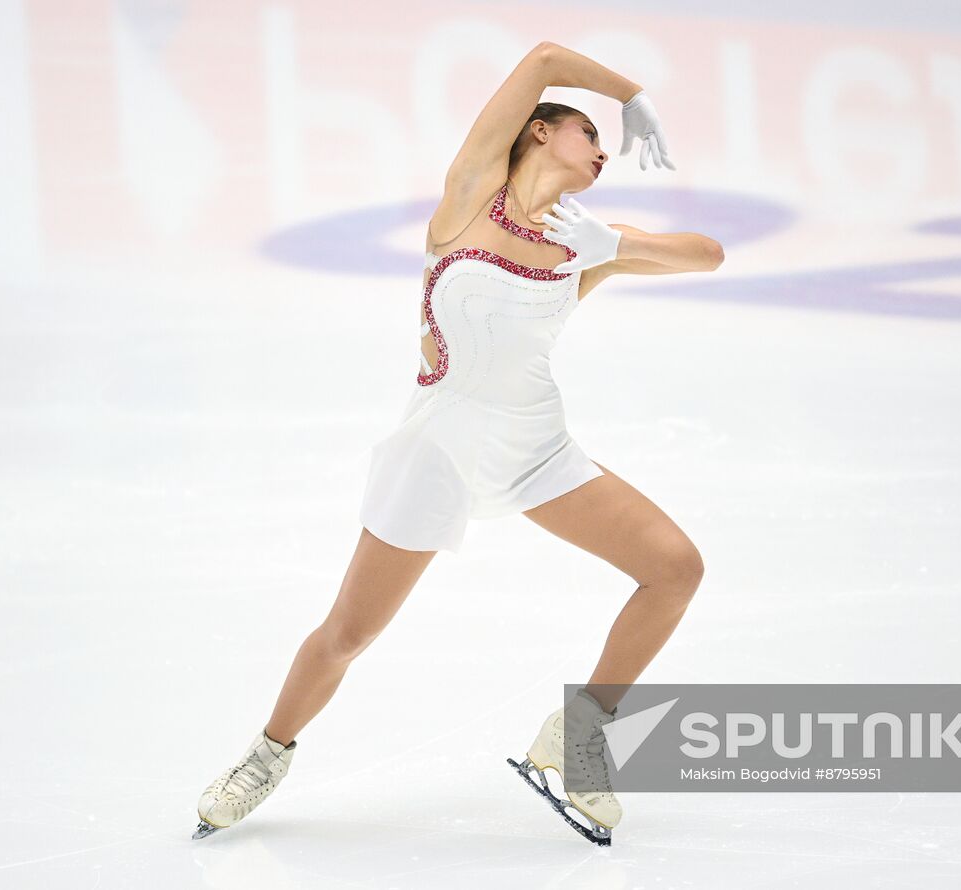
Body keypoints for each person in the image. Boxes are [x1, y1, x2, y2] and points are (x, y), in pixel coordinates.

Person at [195, 40, 722, 846]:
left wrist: (614, 245)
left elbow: (708, 256)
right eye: (590, 135)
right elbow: (545, 59)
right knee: (349, 633)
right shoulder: (471, 196)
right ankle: (266, 755)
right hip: (437, 451)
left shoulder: (585, 240)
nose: (604, 151)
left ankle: (578, 734)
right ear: (540, 133)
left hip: (539, 451)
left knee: (675, 568)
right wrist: (632, 91)